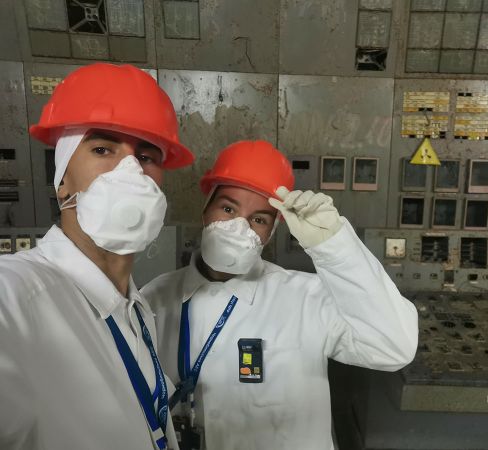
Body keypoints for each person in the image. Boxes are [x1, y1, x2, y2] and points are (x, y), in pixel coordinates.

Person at [142, 140, 418, 450]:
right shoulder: (154, 300)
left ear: (270, 233)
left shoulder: (306, 298)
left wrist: (334, 245)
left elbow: (394, 346)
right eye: (228, 208)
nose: (238, 227)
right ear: (205, 210)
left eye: (258, 219)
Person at [0, 63, 194, 450]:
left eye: (146, 157)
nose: (130, 171)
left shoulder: (135, 308)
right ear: (62, 181)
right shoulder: (18, 296)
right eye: (103, 149)